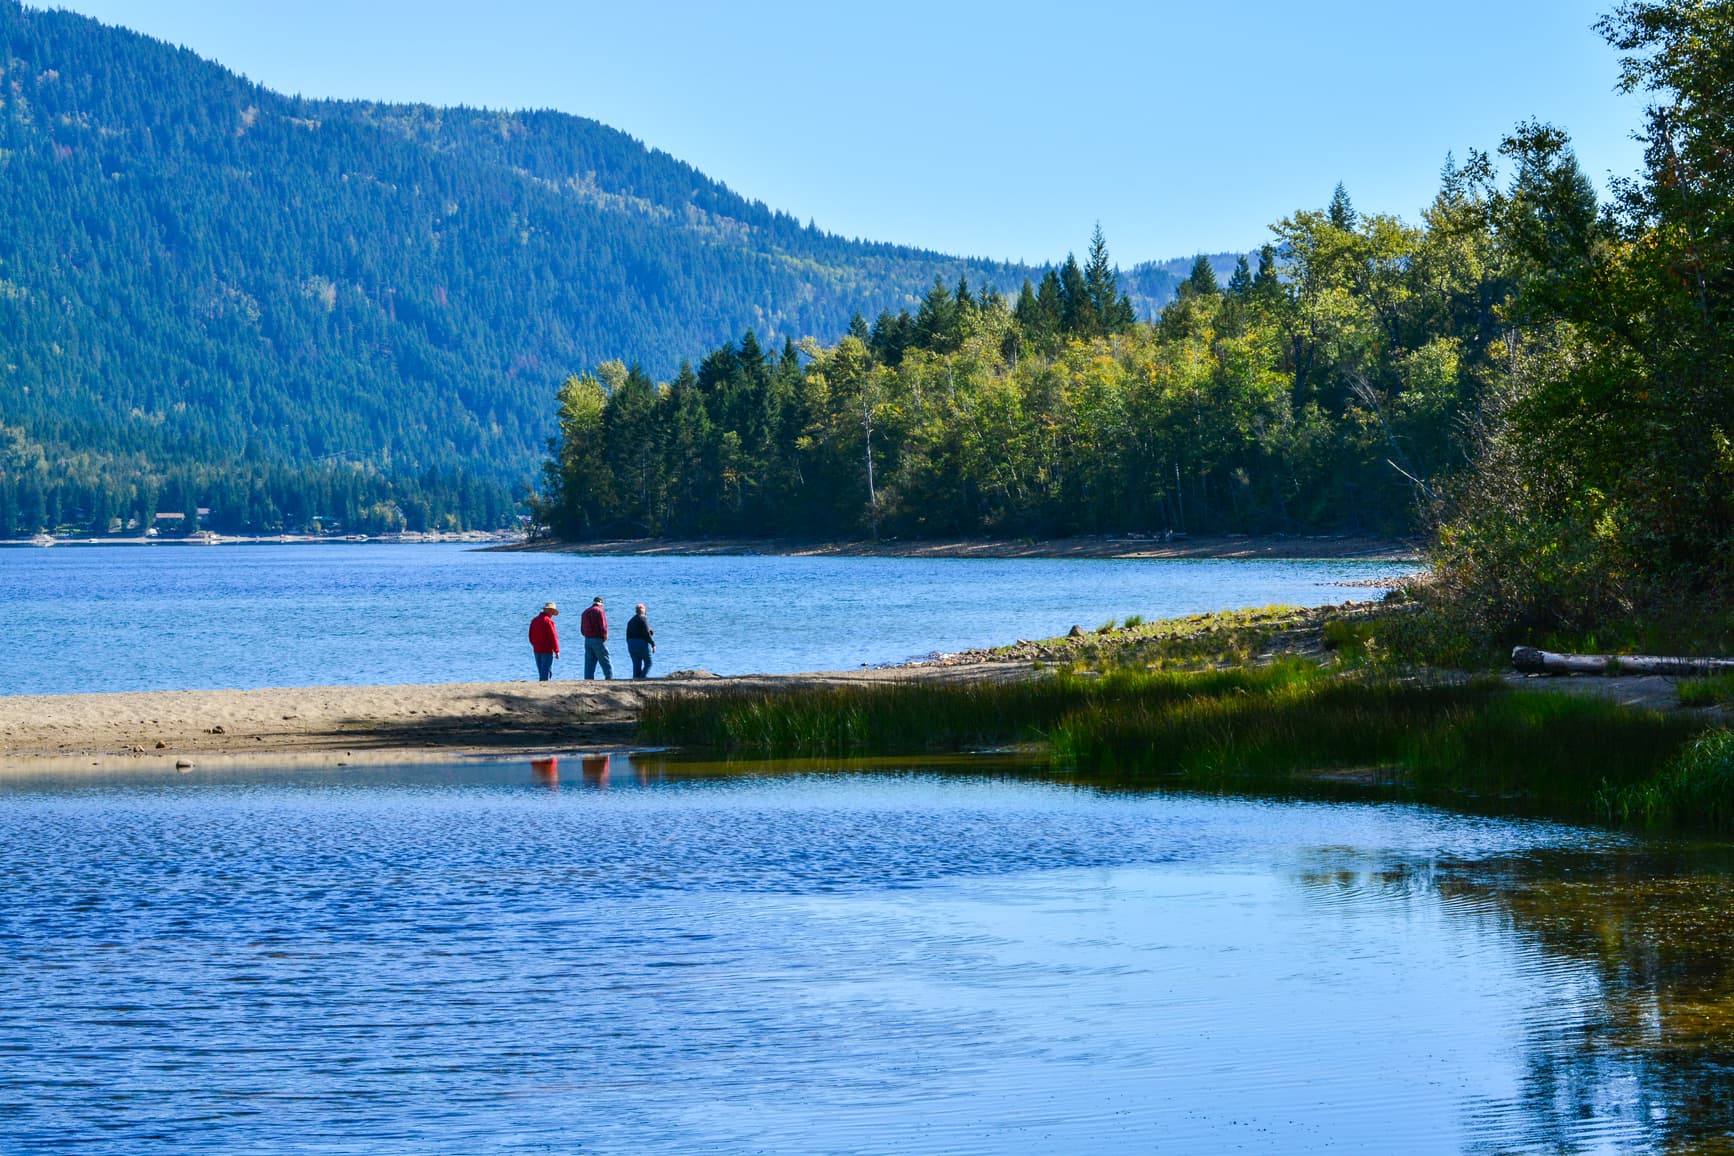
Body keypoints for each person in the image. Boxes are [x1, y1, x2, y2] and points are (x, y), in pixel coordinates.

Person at [579, 595, 612, 680]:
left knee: (589, 663)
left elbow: (582, 629)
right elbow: (603, 626)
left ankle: (588, 680)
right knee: (605, 661)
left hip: (587, 640)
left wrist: (586, 635)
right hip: (598, 639)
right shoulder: (600, 611)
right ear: (601, 603)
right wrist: (605, 637)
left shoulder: (585, 612)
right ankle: (609, 678)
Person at [529, 602, 560, 681]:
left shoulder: (534, 620)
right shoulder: (548, 621)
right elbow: (553, 637)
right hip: (546, 650)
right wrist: (557, 651)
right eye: (552, 612)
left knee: (541, 671)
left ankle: (541, 685)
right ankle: (544, 688)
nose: (552, 614)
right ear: (550, 611)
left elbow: (530, 636)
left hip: (537, 649)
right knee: (545, 672)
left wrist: (535, 645)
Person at [626, 602, 656, 679]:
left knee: (636, 664)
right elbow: (646, 633)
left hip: (631, 643)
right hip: (641, 643)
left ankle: (636, 679)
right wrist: (653, 644)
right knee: (648, 663)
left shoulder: (631, 620)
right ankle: (642, 678)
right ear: (645, 611)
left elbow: (628, 634)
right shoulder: (643, 619)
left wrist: (629, 643)